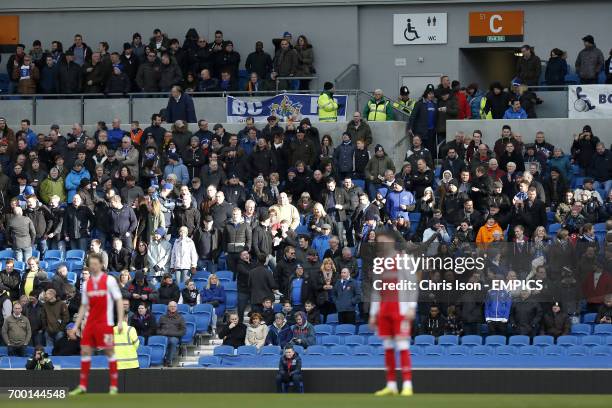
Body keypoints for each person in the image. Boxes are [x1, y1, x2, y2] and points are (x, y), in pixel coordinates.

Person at [68, 254, 124, 395]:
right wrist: (75, 327)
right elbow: (83, 306)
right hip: (90, 323)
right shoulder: (87, 284)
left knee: (109, 352)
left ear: (100, 265)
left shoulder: (109, 280)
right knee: (85, 351)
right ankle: (82, 386)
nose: (93, 266)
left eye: (95, 263)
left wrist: (120, 321)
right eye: (90, 264)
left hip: (105, 323)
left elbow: (118, 300)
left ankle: (113, 386)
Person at [370, 231, 417, 397]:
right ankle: (391, 385)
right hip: (384, 310)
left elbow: (412, 284)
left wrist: (412, 306)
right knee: (388, 347)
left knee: (403, 346)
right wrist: (373, 313)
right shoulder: (380, 262)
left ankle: (407, 385)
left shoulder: (404, 260)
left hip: (401, 309)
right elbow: (376, 290)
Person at [156, 301, 186, 367]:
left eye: (174, 306)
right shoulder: (162, 317)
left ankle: (168, 361)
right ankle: (159, 359)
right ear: (168, 307)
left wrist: (171, 333)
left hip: (174, 337)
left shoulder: (180, 318)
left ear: (177, 308)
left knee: (172, 341)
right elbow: (157, 329)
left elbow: (183, 331)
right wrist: (162, 333)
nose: (173, 308)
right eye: (171, 306)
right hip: (163, 337)